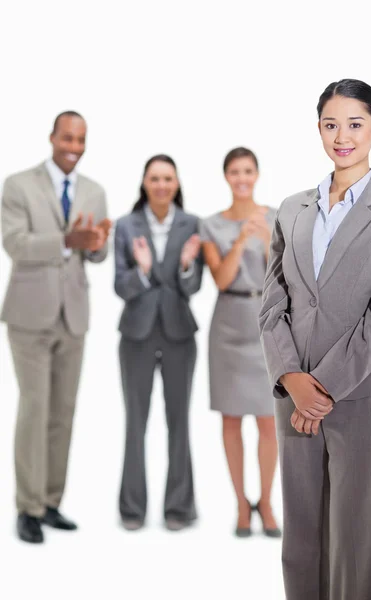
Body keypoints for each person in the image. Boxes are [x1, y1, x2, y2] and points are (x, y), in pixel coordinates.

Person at [259, 79, 371, 600]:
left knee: (356, 538)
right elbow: (272, 298)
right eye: (331, 124)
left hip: (361, 395)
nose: (342, 136)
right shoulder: (292, 208)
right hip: (292, 393)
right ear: (319, 127)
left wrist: (321, 389)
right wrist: (292, 379)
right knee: (301, 539)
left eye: (355, 124)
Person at [1, 111, 111, 544]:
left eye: (81, 140)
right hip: (30, 315)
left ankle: (50, 502)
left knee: (62, 413)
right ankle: (26, 508)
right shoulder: (18, 185)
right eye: (67, 137)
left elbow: (95, 256)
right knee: (35, 408)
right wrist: (68, 240)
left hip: (74, 315)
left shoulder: (94, 191)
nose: (74, 146)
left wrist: (97, 244)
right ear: (52, 137)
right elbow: (15, 245)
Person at [114, 154, 202, 532]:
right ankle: (132, 508)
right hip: (136, 332)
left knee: (179, 421)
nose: (162, 185)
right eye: (155, 178)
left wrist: (185, 265)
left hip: (180, 332)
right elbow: (120, 285)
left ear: (177, 183)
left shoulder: (192, 224)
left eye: (168, 178)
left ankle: (179, 507)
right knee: (136, 421)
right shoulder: (125, 225)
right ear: (145, 183)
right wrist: (145, 270)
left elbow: (194, 285)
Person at [200, 147, 281, 538]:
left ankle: (265, 501)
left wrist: (265, 241)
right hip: (228, 327)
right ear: (226, 176)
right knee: (231, 420)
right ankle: (240, 504)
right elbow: (220, 278)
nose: (242, 177)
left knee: (269, 420)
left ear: (257, 173)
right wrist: (240, 240)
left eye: (248, 170)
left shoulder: (277, 216)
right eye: (235, 171)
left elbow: (285, 277)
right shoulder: (211, 225)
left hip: (266, 324)